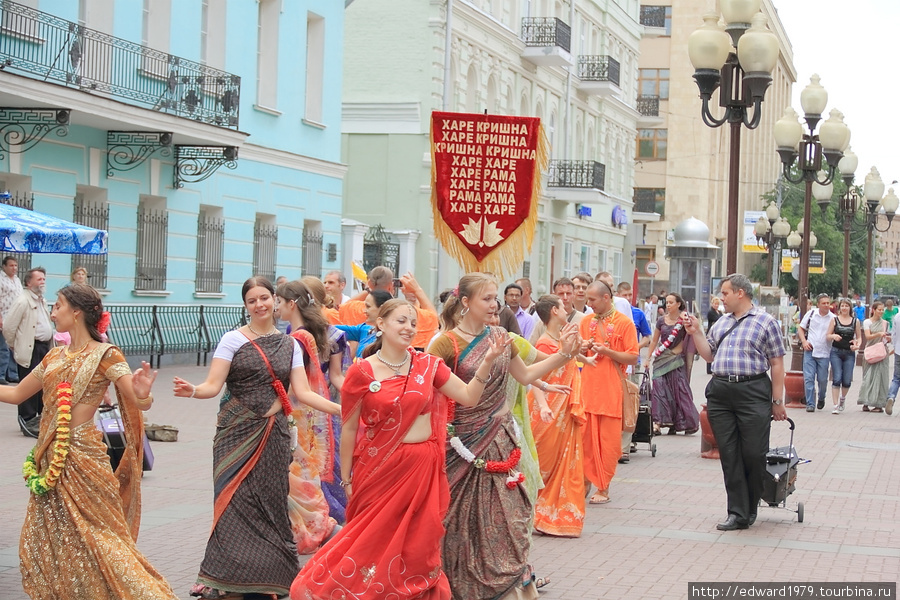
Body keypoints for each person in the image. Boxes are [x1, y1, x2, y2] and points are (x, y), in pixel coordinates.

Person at [291, 299, 513, 600]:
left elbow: (469, 397)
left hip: (421, 468)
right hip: (379, 469)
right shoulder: (362, 372)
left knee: (417, 544)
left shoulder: (428, 365)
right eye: (401, 321)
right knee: (371, 539)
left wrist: (487, 361)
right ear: (381, 324)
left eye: (412, 322)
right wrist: (346, 478)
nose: (409, 328)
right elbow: (350, 428)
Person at [1, 283, 177, 599]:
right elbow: (16, 394)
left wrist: (143, 393)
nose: (53, 312)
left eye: (58, 305)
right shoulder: (54, 356)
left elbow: (137, 401)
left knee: (102, 537)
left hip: (83, 458)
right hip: (50, 458)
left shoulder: (106, 355)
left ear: (76, 311)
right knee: (54, 536)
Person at [173, 277, 341, 599]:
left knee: (270, 505)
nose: (260, 305)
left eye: (265, 298)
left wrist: (341, 410)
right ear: (246, 305)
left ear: (275, 300)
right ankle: (226, 582)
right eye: (252, 300)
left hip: (272, 436)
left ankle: (269, 581)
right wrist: (192, 391)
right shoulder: (232, 340)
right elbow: (212, 386)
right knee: (233, 504)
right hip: (234, 434)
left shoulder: (290, 345)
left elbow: (302, 392)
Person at [428, 273, 579, 600]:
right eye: (486, 298)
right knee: (458, 524)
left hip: (500, 444)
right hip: (459, 448)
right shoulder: (444, 343)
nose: (494, 304)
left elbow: (525, 375)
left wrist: (565, 355)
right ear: (465, 302)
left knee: (509, 519)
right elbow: (429, 394)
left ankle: (509, 588)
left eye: (495, 297)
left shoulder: (501, 336)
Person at [683, 273, 786, 531]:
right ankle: (737, 512)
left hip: (753, 391)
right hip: (721, 392)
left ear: (740, 293)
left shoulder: (766, 322)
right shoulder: (721, 323)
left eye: (725, 293)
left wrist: (777, 400)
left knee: (753, 452)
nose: (721, 298)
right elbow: (708, 355)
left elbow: (776, 362)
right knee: (729, 455)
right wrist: (696, 332)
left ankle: (750, 505)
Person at [275, 280, 340, 550]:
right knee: (298, 475)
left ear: (292, 304)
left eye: (278, 301)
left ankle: (319, 528)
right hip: (304, 415)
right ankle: (305, 529)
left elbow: (293, 385)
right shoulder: (305, 335)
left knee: (296, 476)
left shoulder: (297, 339)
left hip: (295, 416)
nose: (275, 307)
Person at [528, 294, 586, 537]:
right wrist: (543, 405)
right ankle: (538, 515)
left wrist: (584, 354)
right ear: (554, 311)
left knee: (564, 464)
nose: (566, 309)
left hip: (563, 410)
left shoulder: (558, 339)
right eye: (563, 307)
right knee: (545, 466)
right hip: (549, 410)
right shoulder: (543, 343)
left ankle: (556, 517)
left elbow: (570, 358)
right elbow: (534, 378)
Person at [579, 280, 639, 505]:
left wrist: (608, 351)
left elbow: (633, 356)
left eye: (592, 299)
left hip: (611, 389)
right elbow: (577, 351)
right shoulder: (586, 321)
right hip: (587, 388)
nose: (589, 304)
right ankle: (584, 482)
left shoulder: (624, 323)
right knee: (584, 440)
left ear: (606, 298)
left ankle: (603, 487)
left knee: (608, 441)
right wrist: (583, 348)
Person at [300, 276, 353, 520]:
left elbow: (336, 376)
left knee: (327, 461)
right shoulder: (295, 331)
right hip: (299, 407)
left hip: (321, 407)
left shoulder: (334, 336)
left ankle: (330, 515)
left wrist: (353, 397)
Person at [4, 267, 53, 438]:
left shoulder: (41, 300)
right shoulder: (23, 301)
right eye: (39, 279)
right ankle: (27, 420)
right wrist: (14, 345)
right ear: (28, 282)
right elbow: (9, 327)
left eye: (44, 279)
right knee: (27, 383)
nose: (42, 281)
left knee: (42, 383)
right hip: (30, 348)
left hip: (43, 347)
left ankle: (38, 418)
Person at [648, 293, 699, 435]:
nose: (668, 305)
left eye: (671, 302)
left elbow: (691, 334)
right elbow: (654, 341)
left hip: (676, 359)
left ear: (678, 304)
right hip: (661, 359)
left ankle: (679, 422)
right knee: (658, 388)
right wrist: (647, 358)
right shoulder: (661, 321)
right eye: (667, 302)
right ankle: (657, 422)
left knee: (678, 391)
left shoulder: (683, 320)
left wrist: (686, 319)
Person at [797, 293, 836, 412]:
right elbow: (801, 328)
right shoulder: (811, 314)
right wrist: (804, 341)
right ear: (818, 304)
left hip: (825, 352)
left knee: (822, 379)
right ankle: (810, 403)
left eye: (828, 303)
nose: (826, 305)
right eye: (823, 303)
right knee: (808, 378)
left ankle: (821, 397)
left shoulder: (833, 318)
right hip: (810, 350)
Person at [827, 298, 861, 414]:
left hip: (849, 353)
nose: (844, 308)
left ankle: (843, 398)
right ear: (839, 308)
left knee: (846, 380)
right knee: (836, 378)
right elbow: (828, 335)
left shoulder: (855, 321)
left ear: (850, 308)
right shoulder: (834, 320)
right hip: (836, 351)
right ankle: (835, 405)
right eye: (842, 306)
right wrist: (833, 336)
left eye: (847, 306)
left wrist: (857, 345)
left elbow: (859, 337)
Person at [336, 290, 393, 359]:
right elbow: (332, 329)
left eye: (368, 307)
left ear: (381, 308)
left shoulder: (392, 338)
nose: (364, 311)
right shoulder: (364, 330)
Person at [859, 301, 890, 413]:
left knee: (881, 378)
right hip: (871, 352)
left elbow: (885, 338)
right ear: (873, 310)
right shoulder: (868, 322)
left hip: (882, 352)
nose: (881, 312)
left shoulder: (885, 323)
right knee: (868, 377)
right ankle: (865, 402)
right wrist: (878, 334)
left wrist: (887, 338)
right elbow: (868, 336)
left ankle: (879, 404)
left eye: (882, 310)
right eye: (879, 309)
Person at [0, 256, 23, 386]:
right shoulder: (1, 279)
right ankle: (1, 374)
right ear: (4, 266)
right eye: (11, 265)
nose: (14, 268)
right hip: (4, 316)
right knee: (3, 348)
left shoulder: (17, 280)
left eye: (15, 265)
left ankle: (12, 374)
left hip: (15, 318)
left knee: (13, 347)